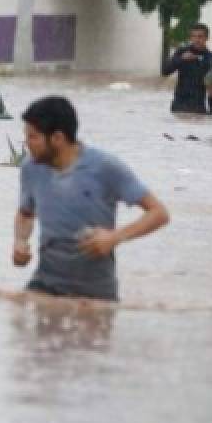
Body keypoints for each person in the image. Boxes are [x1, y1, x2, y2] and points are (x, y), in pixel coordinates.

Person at [12, 97, 170, 301]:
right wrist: (20, 242)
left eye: (33, 137)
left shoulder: (105, 167)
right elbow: (26, 212)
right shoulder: (31, 168)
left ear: (57, 138)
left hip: (95, 291)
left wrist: (114, 237)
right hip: (45, 283)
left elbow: (159, 213)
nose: (27, 144)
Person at [161, 23, 212, 115]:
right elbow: (165, 71)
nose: (196, 40)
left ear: (207, 38)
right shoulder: (182, 52)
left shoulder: (211, 58)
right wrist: (181, 59)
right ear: (190, 38)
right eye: (194, 36)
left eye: (200, 37)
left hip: (199, 108)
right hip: (178, 106)